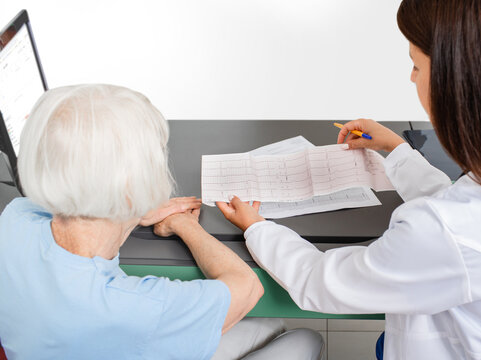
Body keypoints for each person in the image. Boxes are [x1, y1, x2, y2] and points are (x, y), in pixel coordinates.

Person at [216, 0, 481, 359]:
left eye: (416, 64)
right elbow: (461, 215)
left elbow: (320, 282)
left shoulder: (442, 233)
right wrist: (397, 150)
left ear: (458, 88)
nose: (412, 77)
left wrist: (258, 227)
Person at [0, 84, 323, 359]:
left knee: (268, 328)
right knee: (304, 339)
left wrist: (131, 211)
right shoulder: (138, 306)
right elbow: (247, 288)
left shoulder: (15, 218)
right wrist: (185, 225)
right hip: (126, 337)